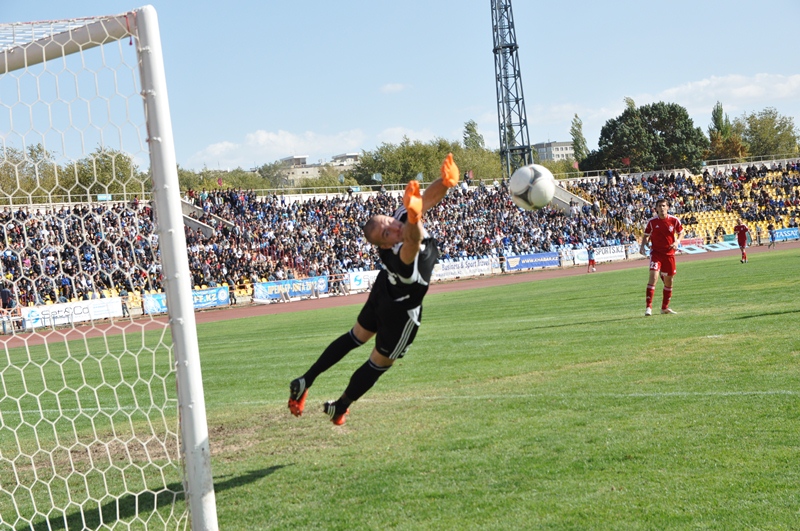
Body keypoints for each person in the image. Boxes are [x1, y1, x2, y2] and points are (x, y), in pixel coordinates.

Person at [287, 153, 460, 425]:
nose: (393, 227)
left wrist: (446, 182)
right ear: (384, 245)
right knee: (379, 362)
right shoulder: (400, 251)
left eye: (390, 223)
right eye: (387, 233)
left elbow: (426, 199)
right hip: (401, 310)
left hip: (383, 291)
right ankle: (340, 407)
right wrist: (414, 220)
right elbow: (413, 242)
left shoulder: (399, 221)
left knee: (355, 336)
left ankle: (305, 379)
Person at [639, 198, 684, 316]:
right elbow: (646, 235)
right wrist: (643, 245)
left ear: (668, 207)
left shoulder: (674, 220)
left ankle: (664, 307)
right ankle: (648, 307)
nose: (662, 208)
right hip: (656, 253)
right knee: (653, 277)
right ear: (656, 208)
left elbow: (681, 232)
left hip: (669, 254)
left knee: (669, 281)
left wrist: (677, 242)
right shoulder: (652, 222)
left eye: (664, 205)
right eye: (659, 206)